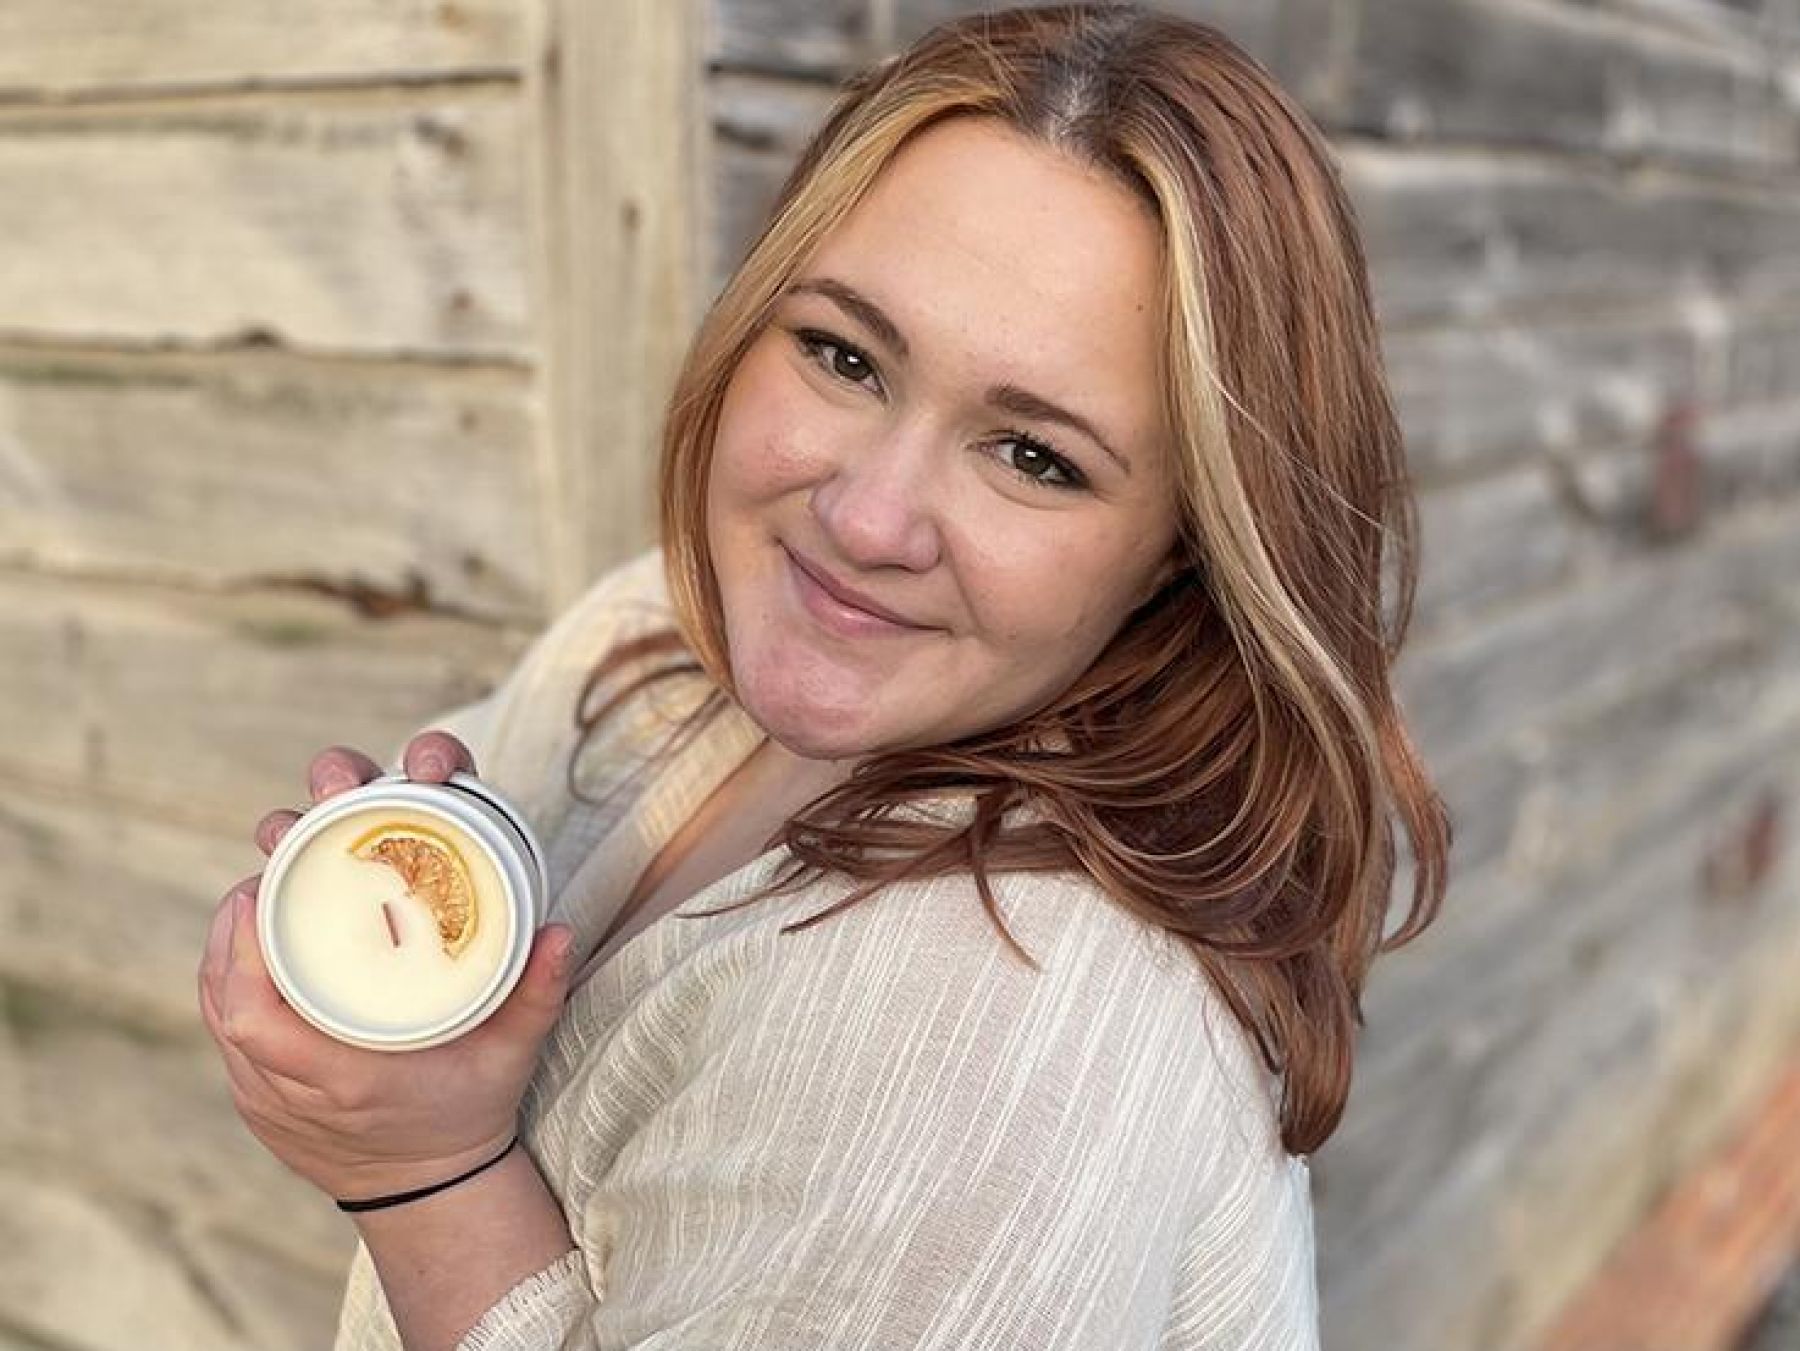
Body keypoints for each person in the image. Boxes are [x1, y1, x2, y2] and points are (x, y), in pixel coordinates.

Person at [198, 4, 1450, 1347]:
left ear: (1183, 555)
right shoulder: (673, 643)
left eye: (1036, 458)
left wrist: (421, 1174)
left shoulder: (997, 1039)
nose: (865, 521)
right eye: (845, 356)